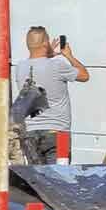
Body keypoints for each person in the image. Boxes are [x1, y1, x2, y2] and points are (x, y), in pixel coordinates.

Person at [12, 26, 89, 163]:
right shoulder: (58, 65)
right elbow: (84, 75)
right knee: (60, 178)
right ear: (46, 43)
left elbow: (39, 65)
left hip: (30, 133)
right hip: (59, 133)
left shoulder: (20, 67)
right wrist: (69, 56)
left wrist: (48, 54)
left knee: (36, 179)